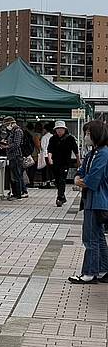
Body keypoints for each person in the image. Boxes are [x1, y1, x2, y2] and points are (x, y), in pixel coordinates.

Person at [70, 120, 108, 284]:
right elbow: (81, 171)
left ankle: (89, 273)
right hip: (93, 200)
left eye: (88, 133)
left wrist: (79, 181)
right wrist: (80, 178)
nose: (86, 136)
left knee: (90, 237)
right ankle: (102, 269)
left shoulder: (103, 154)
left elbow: (91, 180)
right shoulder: (94, 153)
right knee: (98, 237)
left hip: (97, 200)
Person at [48, 120, 80, 207]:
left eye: (61, 129)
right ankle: (63, 197)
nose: (59, 131)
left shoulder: (70, 138)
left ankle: (59, 198)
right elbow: (50, 150)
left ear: (65, 129)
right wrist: (50, 158)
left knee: (62, 179)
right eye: (58, 129)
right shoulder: (52, 138)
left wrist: (78, 160)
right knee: (57, 180)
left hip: (65, 163)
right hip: (55, 162)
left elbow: (76, 151)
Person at [0, 117, 26, 200]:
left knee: (16, 175)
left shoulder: (17, 131)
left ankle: (18, 194)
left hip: (16, 156)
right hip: (12, 156)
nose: (6, 127)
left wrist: (6, 146)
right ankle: (15, 193)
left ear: (11, 123)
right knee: (14, 175)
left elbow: (16, 144)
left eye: (6, 125)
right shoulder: (13, 131)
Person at [39, 122, 54, 188]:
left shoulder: (44, 137)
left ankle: (46, 182)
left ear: (45, 129)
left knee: (45, 169)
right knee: (51, 169)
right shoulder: (52, 136)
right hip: (52, 155)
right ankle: (52, 182)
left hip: (45, 155)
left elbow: (42, 146)